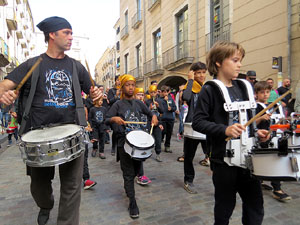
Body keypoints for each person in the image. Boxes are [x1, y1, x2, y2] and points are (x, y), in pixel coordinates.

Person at [0, 16, 101, 225]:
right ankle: (45, 205)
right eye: (67, 32)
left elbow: (92, 92)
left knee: (72, 187)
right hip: (37, 137)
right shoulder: (32, 64)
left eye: (72, 33)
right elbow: (4, 86)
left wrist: (96, 95)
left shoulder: (76, 66)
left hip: (71, 132)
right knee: (39, 187)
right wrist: (4, 94)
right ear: (52, 35)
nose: (71, 37)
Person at [193, 41, 270, 225]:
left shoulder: (245, 87)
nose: (240, 64)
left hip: (249, 160)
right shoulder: (209, 90)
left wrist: (257, 132)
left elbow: (248, 119)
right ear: (219, 62)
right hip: (223, 162)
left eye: (240, 60)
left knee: (255, 205)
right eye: (235, 60)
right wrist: (224, 129)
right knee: (224, 207)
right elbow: (198, 122)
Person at [106, 74, 158, 219]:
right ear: (122, 87)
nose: (131, 87)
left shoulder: (139, 103)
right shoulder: (117, 104)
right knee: (128, 173)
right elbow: (106, 119)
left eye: (133, 85)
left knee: (136, 171)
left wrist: (153, 116)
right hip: (124, 143)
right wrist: (114, 119)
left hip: (139, 143)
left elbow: (150, 113)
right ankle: (132, 202)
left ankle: (129, 187)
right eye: (127, 85)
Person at [254, 81, 291, 202]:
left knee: (272, 161)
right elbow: (250, 124)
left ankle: (261, 181)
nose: (265, 94)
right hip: (261, 139)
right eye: (262, 92)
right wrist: (260, 118)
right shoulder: (255, 107)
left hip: (273, 137)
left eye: (267, 92)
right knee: (273, 162)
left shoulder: (271, 105)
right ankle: (277, 189)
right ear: (256, 94)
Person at [181, 62, 209, 194]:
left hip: (206, 126)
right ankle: (188, 180)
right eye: (199, 72)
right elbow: (186, 98)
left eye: (204, 72)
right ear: (193, 73)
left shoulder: (207, 87)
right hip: (192, 126)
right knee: (189, 156)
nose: (202, 75)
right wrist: (190, 80)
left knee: (212, 154)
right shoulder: (189, 87)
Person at [145, 85, 164, 162]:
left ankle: (158, 153)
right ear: (149, 93)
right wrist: (149, 108)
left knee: (158, 139)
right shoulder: (147, 101)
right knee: (148, 137)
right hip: (149, 122)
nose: (153, 94)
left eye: (154, 92)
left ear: (157, 92)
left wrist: (158, 106)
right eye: (151, 92)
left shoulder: (159, 101)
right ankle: (146, 152)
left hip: (157, 122)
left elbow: (162, 111)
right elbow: (145, 112)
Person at [160, 85, 176, 153]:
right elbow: (159, 107)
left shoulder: (171, 99)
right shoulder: (160, 99)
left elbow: (174, 108)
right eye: (163, 92)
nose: (165, 93)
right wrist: (164, 101)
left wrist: (171, 109)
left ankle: (167, 146)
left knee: (169, 133)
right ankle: (160, 142)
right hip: (163, 119)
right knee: (163, 132)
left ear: (168, 92)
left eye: (166, 92)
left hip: (170, 119)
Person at [108, 76, 121, 156]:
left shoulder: (123, 90)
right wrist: (116, 95)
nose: (119, 81)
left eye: (120, 80)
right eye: (117, 80)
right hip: (115, 113)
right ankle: (113, 146)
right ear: (115, 81)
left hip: (122, 112)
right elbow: (110, 101)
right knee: (115, 131)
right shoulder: (111, 91)